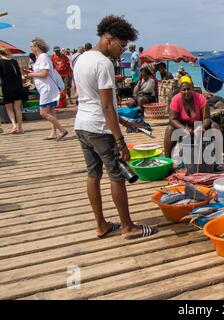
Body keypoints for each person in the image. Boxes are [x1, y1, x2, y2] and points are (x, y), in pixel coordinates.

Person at [73, 15, 158, 240]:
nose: (123, 51)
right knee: (117, 176)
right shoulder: (103, 63)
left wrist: (124, 121)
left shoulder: (81, 58)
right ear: (108, 39)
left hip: (82, 125)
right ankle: (128, 227)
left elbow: (88, 98)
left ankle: (101, 225)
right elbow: (106, 105)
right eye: (121, 45)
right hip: (101, 129)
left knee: (93, 174)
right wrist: (120, 141)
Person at [164, 76, 223, 170]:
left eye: (189, 89)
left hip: (199, 125)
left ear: (192, 88)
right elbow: (172, 119)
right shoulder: (176, 99)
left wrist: (203, 127)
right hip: (183, 126)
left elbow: (207, 117)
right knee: (169, 129)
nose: (186, 92)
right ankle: (167, 162)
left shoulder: (200, 98)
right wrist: (185, 129)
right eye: (184, 90)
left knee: (215, 126)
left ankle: (217, 161)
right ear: (180, 90)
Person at [23, 38, 68, 140]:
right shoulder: (41, 57)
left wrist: (30, 74)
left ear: (37, 47)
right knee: (51, 112)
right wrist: (31, 72)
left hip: (46, 88)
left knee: (44, 113)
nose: (30, 48)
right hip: (46, 87)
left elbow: (44, 73)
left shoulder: (43, 57)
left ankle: (63, 130)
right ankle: (53, 133)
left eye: (32, 46)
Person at [0, 46, 25, 134]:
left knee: (9, 109)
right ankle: (20, 128)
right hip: (17, 86)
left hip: (7, 87)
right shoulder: (14, 61)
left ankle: (14, 125)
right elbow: (18, 74)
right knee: (17, 108)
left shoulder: (1, 62)